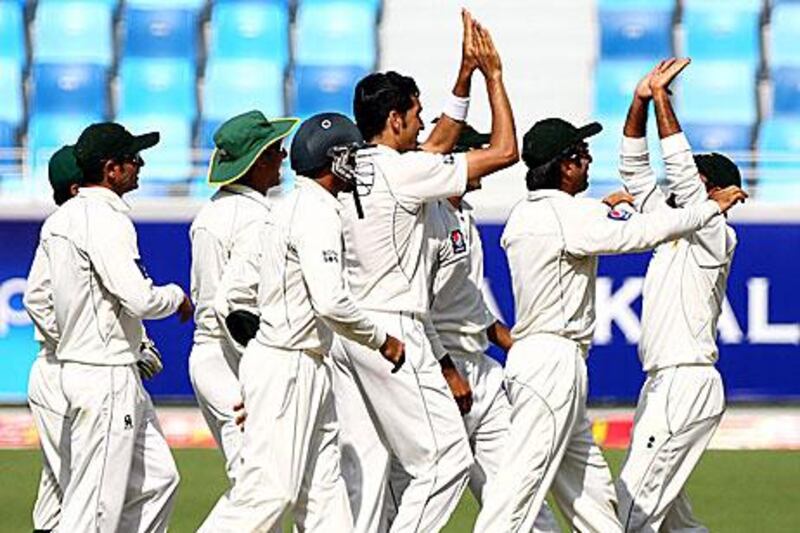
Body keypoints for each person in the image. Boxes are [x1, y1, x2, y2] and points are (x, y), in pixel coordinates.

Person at [472, 114, 747, 533]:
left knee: (595, 497)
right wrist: (709, 206)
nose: (588, 163)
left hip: (552, 362)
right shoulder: (570, 216)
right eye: (582, 155)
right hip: (553, 362)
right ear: (566, 165)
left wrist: (641, 107)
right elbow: (638, 233)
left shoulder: (531, 215)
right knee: (517, 494)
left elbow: (635, 205)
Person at [330, 10, 519, 532]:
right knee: (446, 462)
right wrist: (494, 77)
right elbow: (505, 151)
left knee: (367, 469)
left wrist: (463, 77)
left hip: (351, 329)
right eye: (415, 115)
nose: (422, 125)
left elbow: (436, 145)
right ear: (394, 121)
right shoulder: (405, 171)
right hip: (395, 324)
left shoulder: (354, 164)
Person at [200, 112, 406, 532]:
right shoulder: (318, 213)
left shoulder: (282, 208)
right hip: (290, 365)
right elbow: (331, 302)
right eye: (352, 156)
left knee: (324, 499)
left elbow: (231, 297)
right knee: (268, 493)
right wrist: (382, 339)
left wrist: (255, 362)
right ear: (334, 160)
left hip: (299, 364)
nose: (358, 165)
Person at [385, 126, 561, 531]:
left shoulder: (462, 214)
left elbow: (471, 307)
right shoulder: (423, 220)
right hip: (440, 372)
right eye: (475, 149)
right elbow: (415, 308)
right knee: (411, 494)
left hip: (479, 370)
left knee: (519, 495)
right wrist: (446, 371)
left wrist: (516, 344)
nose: (483, 155)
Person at [23, 122, 193, 533]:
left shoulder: (61, 221)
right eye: (133, 160)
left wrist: (82, 339)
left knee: (158, 480)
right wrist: (176, 296)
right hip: (105, 375)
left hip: (95, 368)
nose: (140, 165)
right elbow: (138, 298)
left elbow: (39, 298)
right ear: (111, 169)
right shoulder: (106, 219)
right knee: (93, 509)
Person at [615, 58, 743, 532]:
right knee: (672, 524)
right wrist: (638, 101)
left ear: (717, 194)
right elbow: (634, 170)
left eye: (693, 181)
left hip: (684, 384)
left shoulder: (714, 233)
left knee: (629, 515)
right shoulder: (676, 224)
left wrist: (663, 98)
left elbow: (682, 177)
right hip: (664, 384)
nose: (676, 187)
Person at [189, 110, 298, 528]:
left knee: (259, 483)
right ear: (254, 163)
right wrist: (258, 376)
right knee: (259, 486)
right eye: (274, 151)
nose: (283, 156)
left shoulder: (212, 213)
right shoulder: (254, 220)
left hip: (215, 356)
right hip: (232, 358)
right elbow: (232, 306)